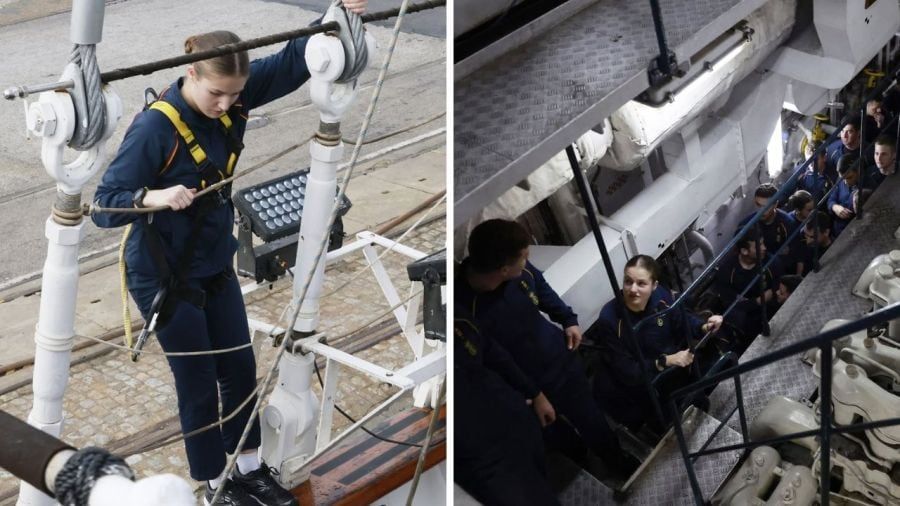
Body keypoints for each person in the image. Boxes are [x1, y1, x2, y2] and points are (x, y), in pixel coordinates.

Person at [91, 3, 366, 504]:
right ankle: (217, 485)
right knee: (197, 384)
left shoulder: (235, 97)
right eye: (215, 93)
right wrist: (152, 197)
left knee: (239, 370)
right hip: (165, 277)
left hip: (213, 263)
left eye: (234, 94)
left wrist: (334, 15)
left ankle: (250, 469)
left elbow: (289, 61)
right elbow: (103, 207)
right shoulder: (156, 130)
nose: (224, 104)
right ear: (190, 73)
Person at [456, 219, 635, 480]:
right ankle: (582, 465)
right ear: (504, 269)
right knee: (557, 435)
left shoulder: (519, 272)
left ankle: (615, 460)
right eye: (524, 256)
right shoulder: (465, 313)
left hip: (559, 362)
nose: (528, 259)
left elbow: (539, 284)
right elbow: (497, 361)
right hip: (525, 388)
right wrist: (535, 395)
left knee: (592, 420)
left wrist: (567, 318)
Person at [591, 255, 723, 431]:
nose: (632, 289)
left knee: (712, 378)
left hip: (675, 366)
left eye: (641, 283)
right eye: (628, 281)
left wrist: (705, 327)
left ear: (654, 286)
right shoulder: (610, 320)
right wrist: (664, 361)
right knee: (670, 425)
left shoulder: (661, 296)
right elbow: (627, 371)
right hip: (646, 383)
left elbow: (681, 320)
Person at [454, 314, 560, 506]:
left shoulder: (461, 321)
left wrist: (535, 394)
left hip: (514, 420)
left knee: (541, 478)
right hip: (483, 456)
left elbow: (494, 354)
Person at [714, 229, 780, 340]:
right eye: (758, 246)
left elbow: (777, 289)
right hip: (746, 317)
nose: (764, 248)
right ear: (744, 251)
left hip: (770, 310)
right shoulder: (727, 270)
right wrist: (758, 301)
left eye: (763, 243)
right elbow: (730, 303)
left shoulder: (772, 263)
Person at [735, 183, 796, 259]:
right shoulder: (745, 226)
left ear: (776, 204)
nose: (761, 211)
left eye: (766, 207)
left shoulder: (788, 223)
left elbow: (795, 253)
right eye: (758, 205)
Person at [828, 153, 860, 237]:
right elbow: (831, 199)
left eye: (849, 177)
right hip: (838, 231)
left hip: (855, 230)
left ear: (858, 170)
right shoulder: (840, 181)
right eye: (843, 178)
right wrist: (835, 207)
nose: (846, 182)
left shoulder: (867, 183)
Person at [825, 115, 862, 181]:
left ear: (858, 133)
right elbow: (830, 176)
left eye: (849, 132)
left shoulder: (868, 152)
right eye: (842, 130)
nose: (844, 135)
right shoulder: (832, 149)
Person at [795, 211, 834, 275]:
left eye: (812, 237)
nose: (807, 241)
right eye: (805, 234)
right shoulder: (803, 240)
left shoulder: (833, 251)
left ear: (826, 232)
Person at [798, 139, 832, 204]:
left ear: (824, 157)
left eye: (815, 160)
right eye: (808, 160)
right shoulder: (802, 175)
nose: (811, 164)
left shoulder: (832, 177)